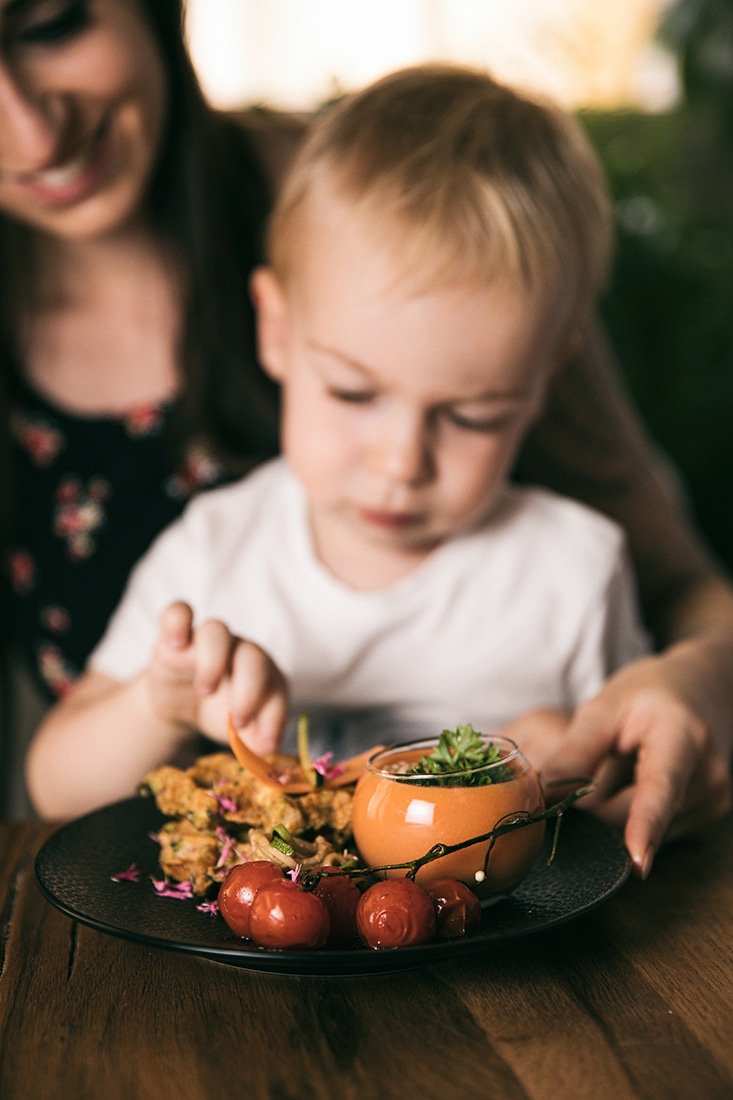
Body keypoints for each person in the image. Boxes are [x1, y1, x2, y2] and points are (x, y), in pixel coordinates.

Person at [2, 5, 731, 872]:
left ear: (543, 383)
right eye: (352, 393)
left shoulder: (573, 568)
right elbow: (55, 782)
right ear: (272, 328)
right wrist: (158, 703)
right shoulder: (215, 549)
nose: (400, 460)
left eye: (470, 417)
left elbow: (627, 789)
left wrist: (566, 764)